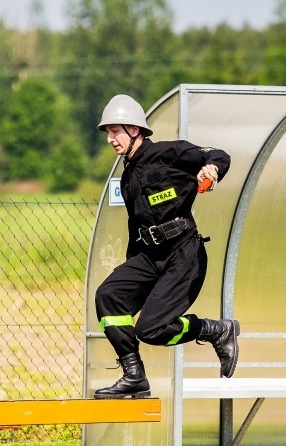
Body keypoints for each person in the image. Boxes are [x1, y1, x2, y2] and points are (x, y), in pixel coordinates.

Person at [93, 94, 240, 399]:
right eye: (108, 132)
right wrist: (132, 273)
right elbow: (136, 228)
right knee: (109, 295)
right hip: (149, 256)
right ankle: (134, 375)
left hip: (184, 253)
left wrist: (212, 169)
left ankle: (214, 330)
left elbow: (218, 155)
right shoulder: (127, 178)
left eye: (115, 131)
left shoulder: (169, 153)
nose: (110, 139)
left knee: (150, 329)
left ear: (134, 129)